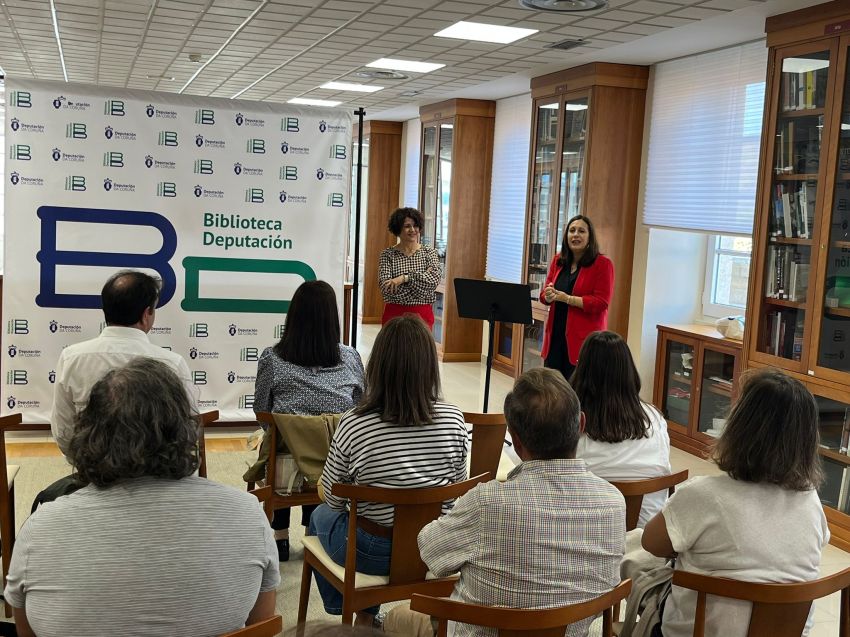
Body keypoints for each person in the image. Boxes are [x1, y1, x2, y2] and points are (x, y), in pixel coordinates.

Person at [6, 358, 279, 637]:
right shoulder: (247, 514)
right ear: (185, 430)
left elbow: (26, 629)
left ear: (89, 433)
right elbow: (262, 626)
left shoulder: (41, 529)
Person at [418, 367, 626, 637]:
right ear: (581, 425)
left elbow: (430, 551)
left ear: (515, 441)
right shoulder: (614, 504)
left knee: (402, 618)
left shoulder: (486, 503)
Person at [642, 369, 829, 637]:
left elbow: (651, 543)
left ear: (738, 428)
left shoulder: (703, 495)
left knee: (646, 576)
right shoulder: (810, 502)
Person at [308, 316, 468, 624]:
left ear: (377, 365)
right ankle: (368, 615)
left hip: (369, 552)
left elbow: (331, 497)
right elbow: (454, 497)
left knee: (319, 516)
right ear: (430, 367)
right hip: (431, 549)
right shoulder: (454, 420)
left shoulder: (355, 422)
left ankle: (356, 612)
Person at [253, 280, 365, 562]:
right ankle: (313, 530)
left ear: (294, 317)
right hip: (335, 468)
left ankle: (279, 536)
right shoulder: (350, 358)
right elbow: (362, 408)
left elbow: (262, 412)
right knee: (323, 448)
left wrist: (293, 429)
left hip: (284, 470)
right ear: (332, 319)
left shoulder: (272, 359)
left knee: (282, 443)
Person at [51, 270, 193, 455]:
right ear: (146, 314)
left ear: (105, 310)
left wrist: (87, 466)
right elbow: (188, 432)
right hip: (161, 474)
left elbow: (63, 432)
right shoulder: (172, 364)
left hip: (94, 473)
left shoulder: (71, 358)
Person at [570, 330, 671, 528]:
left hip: (588, 534)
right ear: (629, 370)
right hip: (645, 539)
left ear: (582, 370)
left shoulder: (572, 420)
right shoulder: (655, 418)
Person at [540, 214, 613, 380]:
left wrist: (567, 299)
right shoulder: (558, 260)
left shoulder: (602, 264)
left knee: (577, 393)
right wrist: (549, 295)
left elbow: (601, 303)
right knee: (552, 390)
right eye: (571, 231)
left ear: (590, 237)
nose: (575, 235)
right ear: (566, 236)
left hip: (584, 341)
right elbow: (544, 295)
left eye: (581, 231)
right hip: (555, 336)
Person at [378, 207, 441, 328]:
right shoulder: (387, 255)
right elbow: (386, 289)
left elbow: (432, 282)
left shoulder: (430, 252)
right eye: (407, 226)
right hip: (394, 314)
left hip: (422, 315)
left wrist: (403, 278)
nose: (412, 230)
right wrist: (421, 287)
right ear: (398, 228)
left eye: (415, 225)